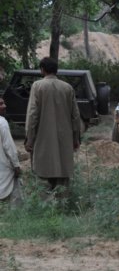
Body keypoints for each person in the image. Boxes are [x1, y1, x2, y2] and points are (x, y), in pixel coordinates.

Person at [24, 57, 82, 196]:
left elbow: (32, 115)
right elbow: (75, 116)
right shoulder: (67, 88)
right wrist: (75, 139)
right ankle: (63, 209)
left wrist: (29, 139)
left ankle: (46, 212)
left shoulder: (37, 86)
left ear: (42, 69)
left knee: (43, 177)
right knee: (62, 179)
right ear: (56, 70)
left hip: (43, 140)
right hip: (64, 141)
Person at [0, 96, 21, 203]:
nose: (4, 106)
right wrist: (16, 165)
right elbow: (9, 147)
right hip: (4, 169)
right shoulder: (2, 123)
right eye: (0, 104)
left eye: (3, 103)